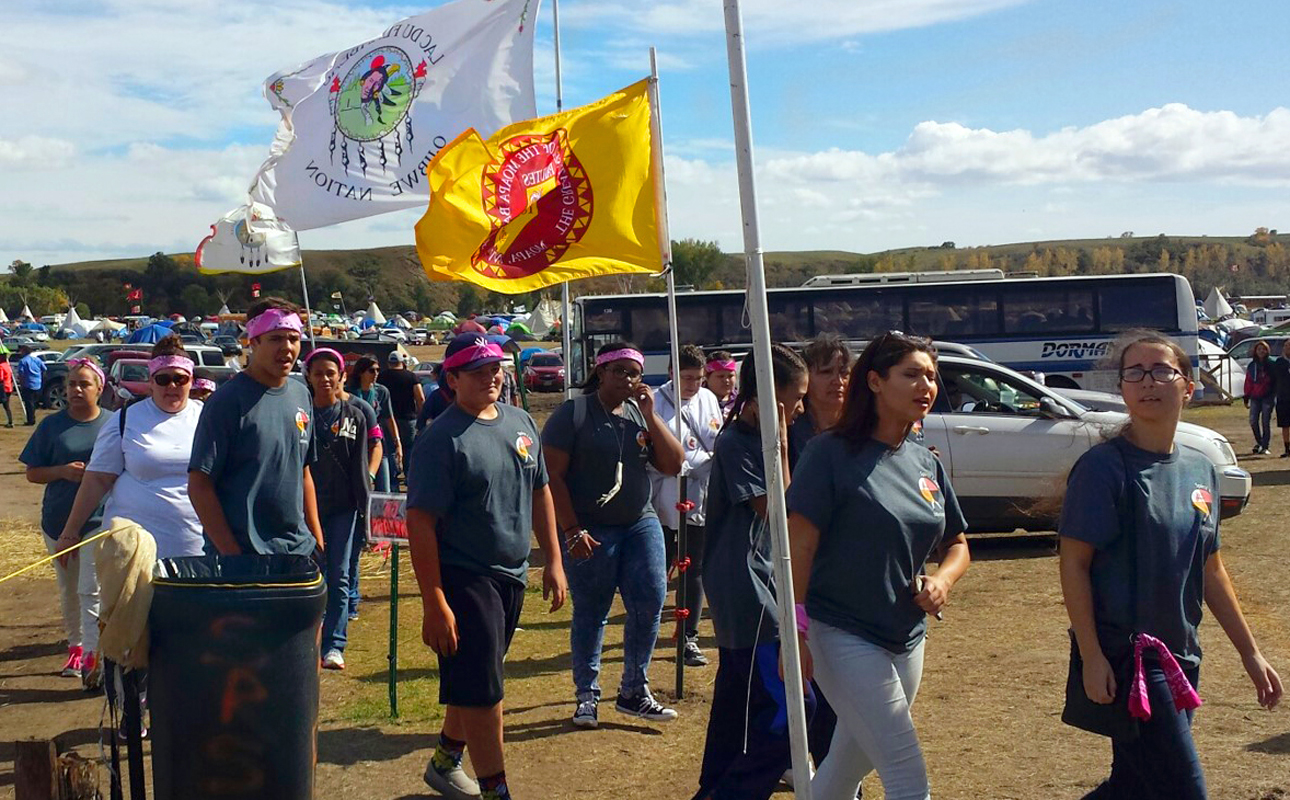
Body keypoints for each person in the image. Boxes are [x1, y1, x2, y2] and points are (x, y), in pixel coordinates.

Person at [1059, 331, 1282, 799]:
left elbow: (1210, 567)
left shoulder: (1200, 469)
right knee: (1184, 790)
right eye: (1134, 372)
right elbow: (1074, 565)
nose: (1148, 381)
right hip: (1132, 659)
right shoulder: (1103, 468)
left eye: (1162, 370)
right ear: (1121, 388)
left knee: (1135, 785)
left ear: (1189, 385)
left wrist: (1250, 652)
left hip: (1183, 655)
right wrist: (1093, 656)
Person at [787, 331, 971, 800]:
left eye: (931, 377)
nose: (925, 386)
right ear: (873, 381)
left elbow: (958, 544)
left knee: (848, 764)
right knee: (906, 773)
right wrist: (796, 632)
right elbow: (798, 547)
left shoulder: (924, 462)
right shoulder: (828, 453)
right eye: (911, 375)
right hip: (839, 631)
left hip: (906, 635)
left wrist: (943, 580)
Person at [407, 334, 567, 800]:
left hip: (510, 574)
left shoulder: (520, 421)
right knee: (486, 693)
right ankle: (496, 790)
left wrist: (553, 559)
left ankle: (444, 762)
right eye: (477, 370)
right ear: (451, 379)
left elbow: (540, 491)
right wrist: (434, 600)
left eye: (495, 366)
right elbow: (420, 523)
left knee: (478, 678)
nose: (491, 376)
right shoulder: (441, 440)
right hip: (464, 575)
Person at [542, 340, 685, 728]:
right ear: (600, 371)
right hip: (589, 528)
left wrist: (652, 416)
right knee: (592, 610)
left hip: (640, 522)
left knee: (650, 599)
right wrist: (571, 530)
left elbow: (674, 464)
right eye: (618, 370)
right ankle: (587, 695)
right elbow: (551, 475)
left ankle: (634, 690)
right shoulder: (573, 413)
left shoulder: (639, 416)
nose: (627, 378)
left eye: (634, 372)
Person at [695, 344, 813, 800]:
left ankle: (713, 787)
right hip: (747, 588)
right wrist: (781, 445)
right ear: (767, 400)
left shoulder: (755, 439)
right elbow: (780, 513)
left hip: (764, 582)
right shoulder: (738, 444)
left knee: (736, 703)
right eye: (795, 398)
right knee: (794, 708)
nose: (801, 408)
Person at [188, 298, 325, 557]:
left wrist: (316, 538)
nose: (287, 347)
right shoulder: (227, 401)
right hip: (245, 556)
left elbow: (304, 470)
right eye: (275, 338)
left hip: (299, 552)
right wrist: (231, 553)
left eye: (293, 339)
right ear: (253, 342)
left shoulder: (301, 394)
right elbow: (199, 484)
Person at [57, 336, 205, 561]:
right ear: (151, 382)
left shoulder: (208, 417)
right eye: (163, 379)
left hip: (195, 544)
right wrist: (70, 532)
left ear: (191, 380)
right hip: (132, 548)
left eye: (180, 379)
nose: (172, 386)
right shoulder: (124, 419)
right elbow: (97, 479)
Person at [19, 358, 109, 686]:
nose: (75, 390)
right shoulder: (51, 426)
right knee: (69, 587)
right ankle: (75, 645)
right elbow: (31, 472)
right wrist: (62, 472)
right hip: (57, 521)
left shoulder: (114, 424)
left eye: (84, 384)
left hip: (99, 520)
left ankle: (93, 653)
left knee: (92, 588)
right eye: (72, 384)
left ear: (100, 388)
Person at [649, 344, 724, 668]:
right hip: (664, 498)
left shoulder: (708, 399)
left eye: (698, 378)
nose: (694, 384)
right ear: (671, 375)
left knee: (694, 569)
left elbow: (715, 440)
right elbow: (651, 451)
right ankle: (646, 632)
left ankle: (688, 637)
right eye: (687, 378)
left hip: (701, 498)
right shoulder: (656, 401)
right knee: (657, 570)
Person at [305, 348, 374, 671]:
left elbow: (361, 466)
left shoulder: (355, 415)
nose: (325, 379)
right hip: (304, 509)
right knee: (308, 574)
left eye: (331, 373)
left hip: (344, 508)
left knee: (340, 575)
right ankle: (306, 640)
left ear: (342, 376)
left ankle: (334, 644)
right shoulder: (299, 413)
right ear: (308, 377)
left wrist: (367, 511)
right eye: (318, 373)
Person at [788, 334, 852, 469]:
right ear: (805, 378)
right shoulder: (790, 431)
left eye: (844, 372)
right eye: (826, 372)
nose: (838, 381)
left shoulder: (863, 427)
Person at [348, 354, 397, 492]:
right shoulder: (349, 392)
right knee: (361, 488)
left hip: (378, 443)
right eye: (371, 370)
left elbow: (389, 417)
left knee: (384, 488)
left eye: (377, 370)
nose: (375, 374)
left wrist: (397, 442)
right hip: (356, 445)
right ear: (361, 372)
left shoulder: (381, 391)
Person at [378, 350, 424, 488]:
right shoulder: (411, 377)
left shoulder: (382, 377)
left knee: (390, 449)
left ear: (388, 363)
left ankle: (392, 481)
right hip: (408, 419)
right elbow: (420, 398)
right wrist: (422, 416)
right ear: (402, 363)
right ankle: (410, 478)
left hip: (388, 419)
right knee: (409, 448)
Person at [1243, 340, 1274, 454]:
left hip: (1268, 397)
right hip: (1255, 396)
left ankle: (1265, 446)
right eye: (1259, 349)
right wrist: (1246, 396)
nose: (1261, 351)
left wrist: (1272, 393)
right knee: (1253, 421)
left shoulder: (1271, 364)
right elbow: (1248, 382)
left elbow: (1275, 381)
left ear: (1267, 351)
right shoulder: (1252, 365)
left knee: (1265, 421)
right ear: (1255, 351)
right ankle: (1259, 442)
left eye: (1263, 349)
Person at [16, 344, 47, 426]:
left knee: (29, 403)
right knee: (34, 402)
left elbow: (21, 374)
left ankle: (31, 420)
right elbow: (44, 369)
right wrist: (41, 379)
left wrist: (22, 384)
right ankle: (32, 418)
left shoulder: (23, 361)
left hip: (28, 384)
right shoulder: (37, 360)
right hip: (37, 384)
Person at [704, 351, 738, 418]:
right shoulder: (698, 401)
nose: (726, 380)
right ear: (707, 377)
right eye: (720, 376)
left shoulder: (741, 402)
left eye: (730, 376)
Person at [1272, 339, 1290, 458]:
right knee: (1285, 425)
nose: (1288, 348)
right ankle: (1287, 448)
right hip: (1283, 397)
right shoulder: (1279, 362)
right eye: (1286, 346)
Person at [0, 346, 14, 427]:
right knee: (7, 406)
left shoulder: (1, 366)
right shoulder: (7, 365)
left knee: (6, 405)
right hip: (8, 387)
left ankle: (10, 422)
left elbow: (0, 378)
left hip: (3, 388)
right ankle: (10, 421)